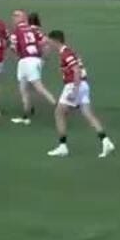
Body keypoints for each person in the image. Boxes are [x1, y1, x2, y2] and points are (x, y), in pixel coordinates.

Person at [44, 30, 115, 158]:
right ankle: (106, 141)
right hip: (83, 85)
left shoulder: (66, 53)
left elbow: (76, 70)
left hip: (74, 85)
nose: (48, 43)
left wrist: (74, 90)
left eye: (50, 41)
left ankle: (62, 146)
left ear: (56, 41)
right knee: (88, 114)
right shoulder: (67, 52)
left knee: (59, 113)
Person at [9, 9, 56, 124]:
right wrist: (40, 53)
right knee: (24, 88)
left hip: (26, 61)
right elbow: (45, 40)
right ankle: (26, 115)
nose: (14, 17)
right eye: (14, 15)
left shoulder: (16, 32)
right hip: (32, 60)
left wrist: (22, 52)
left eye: (17, 15)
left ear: (23, 17)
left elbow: (13, 47)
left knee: (38, 87)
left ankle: (58, 106)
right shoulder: (33, 29)